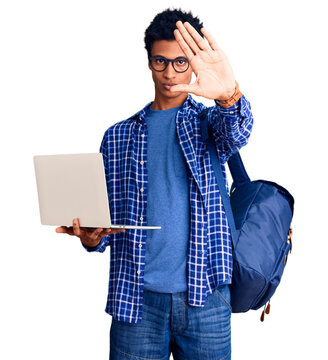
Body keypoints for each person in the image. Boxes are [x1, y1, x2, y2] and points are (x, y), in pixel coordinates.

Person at [56, 8, 254, 360]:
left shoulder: (210, 124)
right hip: (136, 301)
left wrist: (228, 95)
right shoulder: (117, 137)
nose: (169, 73)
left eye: (180, 62)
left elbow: (238, 130)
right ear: (149, 62)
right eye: (160, 62)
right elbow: (105, 220)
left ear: (193, 63)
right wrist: (90, 238)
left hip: (206, 295)